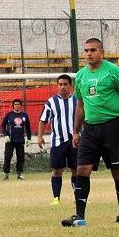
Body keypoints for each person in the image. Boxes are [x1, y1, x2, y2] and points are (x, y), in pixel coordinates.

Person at [61, 38, 119, 227]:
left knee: (117, 172)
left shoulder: (113, 71)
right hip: (90, 129)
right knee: (82, 170)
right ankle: (79, 217)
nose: (88, 53)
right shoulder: (80, 76)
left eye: (93, 50)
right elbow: (80, 105)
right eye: (86, 50)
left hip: (113, 127)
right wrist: (76, 131)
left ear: (101, 52)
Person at [37, 74, 78, 205]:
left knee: (76, 169)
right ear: (57, 86)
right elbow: (43, 120)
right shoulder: (51, 102)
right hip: (58, 141)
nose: (63, 87)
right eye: (60, 84)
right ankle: (56, 198)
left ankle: (78, 196)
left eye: (65, 84)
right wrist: (39, 136)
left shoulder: (77, 100)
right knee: (57, 170)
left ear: (70, 86)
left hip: (75, 141)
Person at [1, 99, 31, 180]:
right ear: (13, 105)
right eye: (15, 104)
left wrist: (29, 138)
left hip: (20, 139)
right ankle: (6, 174)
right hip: (10, 140)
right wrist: (5, 135)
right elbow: (3, 125)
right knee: (8, 156)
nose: (17, 105)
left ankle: (20, 174)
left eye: (18, 104)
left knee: (20, 157)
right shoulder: (9, 115)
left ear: (20, 105)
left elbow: (28, 127)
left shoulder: (24, 115)